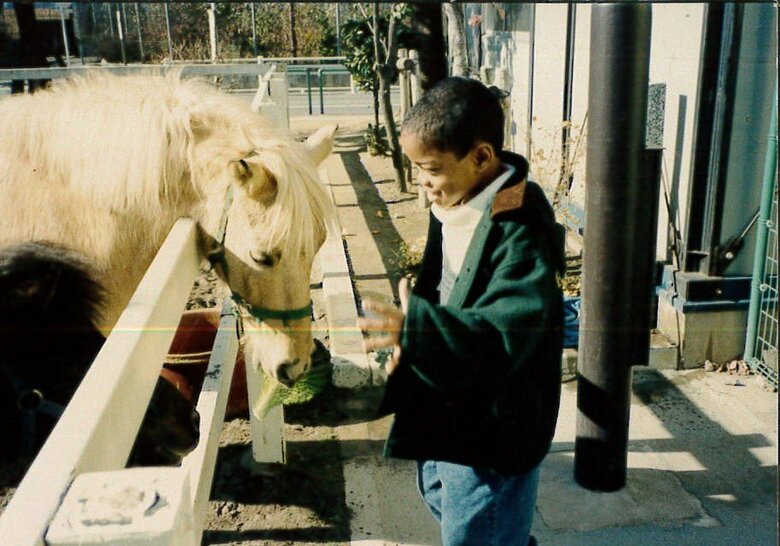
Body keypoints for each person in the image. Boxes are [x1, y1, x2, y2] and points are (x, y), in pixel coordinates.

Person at [357, 77, 565, 546]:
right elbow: (440, 285)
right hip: (454, 401)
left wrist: (419, 331)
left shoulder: (520, 230)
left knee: (476, 531)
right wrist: (413, 348)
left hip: (495, 424)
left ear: (482, 157)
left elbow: (506, 330)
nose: (421, 183)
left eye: (429, 169)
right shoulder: (458, 198)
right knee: (441, 493)